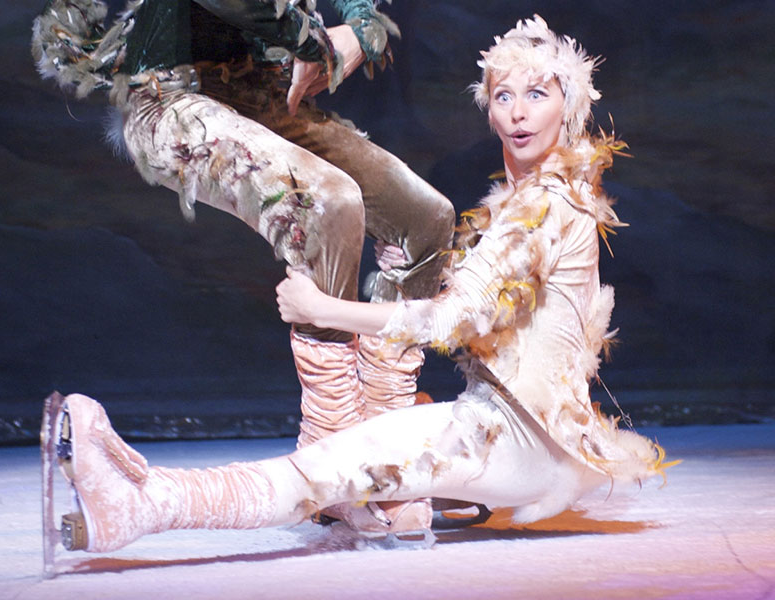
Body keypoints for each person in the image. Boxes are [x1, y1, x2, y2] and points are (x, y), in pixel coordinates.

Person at [41, 15, 676, 556]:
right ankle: (400, 497)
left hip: (517, 438)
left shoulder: (544, 209)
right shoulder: (541, 200)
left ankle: (142, 505)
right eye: (503, 95)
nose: (517, 112)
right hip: (522, 435)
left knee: (322, 471)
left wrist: (324, 308)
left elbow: (449, 321)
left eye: (538, 94)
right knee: (358, 453)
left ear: (570, 108)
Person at [32, 0, 454, 531]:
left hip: (263, 94)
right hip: (175, 98)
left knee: (426, 216)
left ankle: (385, 445)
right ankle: (332, 456)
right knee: (329, 204)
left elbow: (357, 15)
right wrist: (319, 44)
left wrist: (361, 28)